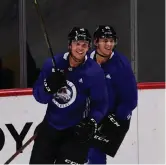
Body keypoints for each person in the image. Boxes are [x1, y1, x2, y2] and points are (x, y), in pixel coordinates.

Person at [29, 27, 109, 164]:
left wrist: (91, 121)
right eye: (77, 43)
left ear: (88, 47)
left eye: (84, 45)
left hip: (76, 132)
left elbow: (101, 104)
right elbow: (39, 97)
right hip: (50, 128)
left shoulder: (94, 72)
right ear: (69, 45)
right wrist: (48, 87)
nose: (80, 48)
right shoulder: (52, 64)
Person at [87, 25, 138, 164]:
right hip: (89, 114)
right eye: (105, 40)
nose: (109, 44)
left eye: (112, 40)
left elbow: (131, 100)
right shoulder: (85, 60)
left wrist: (113, 119)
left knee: (95, 151)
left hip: (112, 116)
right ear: (96, 42)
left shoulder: (121, 65)